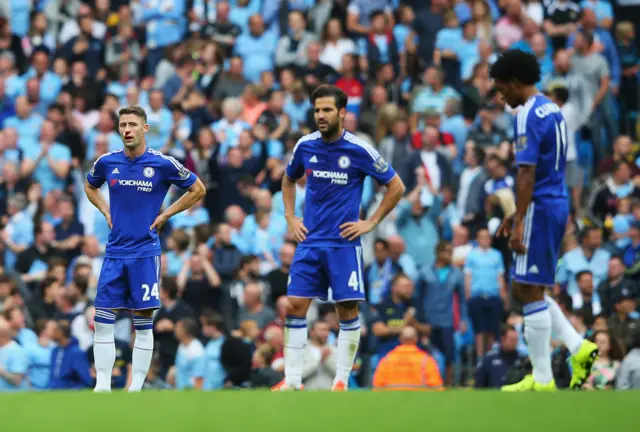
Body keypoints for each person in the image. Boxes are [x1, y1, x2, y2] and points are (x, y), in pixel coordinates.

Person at [272, 85, 406, 391]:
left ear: (342, 113)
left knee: (346, 310)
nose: (320, 115)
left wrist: (370, 222)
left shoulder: (359, 149)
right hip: (310, 242)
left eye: (327, 110)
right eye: (317, 110)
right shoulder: (305, 146)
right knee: (295, 305)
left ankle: (341, 379)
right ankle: (292, 381)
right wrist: (290, 217)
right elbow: (288, 179)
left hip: (343, 244)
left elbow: (396, 186)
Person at [490, 49, 598, 392]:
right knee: (526, 286)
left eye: (501, 87)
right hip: (552, 201)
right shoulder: (552, 109)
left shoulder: (527, 115)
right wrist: (518, 213)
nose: (500, 95)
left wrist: (520, 219)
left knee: (529, 289)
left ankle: (542, 379)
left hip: (541, 206)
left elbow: (526, 172)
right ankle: (577, 347)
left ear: (515, 82)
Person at [84, 105, 206, 393]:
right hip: (114, 252)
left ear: (145, 128)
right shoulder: (107, 162)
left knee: (143, 321)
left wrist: (166, 215)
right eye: (122, 124)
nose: (126, 130)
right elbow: (90, 186)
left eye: (132, 124)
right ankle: (102, 386)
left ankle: (135, 388)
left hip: (145, 254)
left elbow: (198, 188)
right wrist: (105, 211)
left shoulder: (163, 163)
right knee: (102, 318)